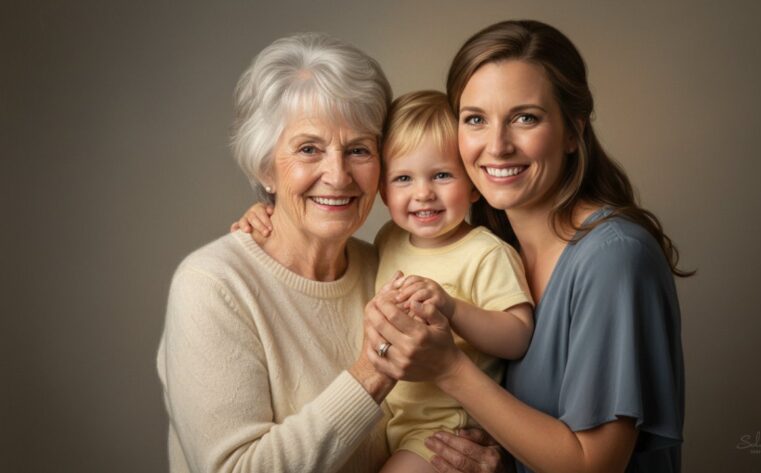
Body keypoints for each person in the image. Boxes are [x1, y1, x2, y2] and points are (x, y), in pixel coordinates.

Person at [362, 20, 687, 473]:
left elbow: (593, 465)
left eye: (525, 118)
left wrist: (449, 369)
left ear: (574, 131)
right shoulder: (496, 245)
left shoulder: (613, 257)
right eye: (475, 119)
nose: (497, 146)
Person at [236, 90, 534, 473]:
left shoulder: (485, 253)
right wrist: (267, 214)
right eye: (403, 178)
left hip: (445, 432)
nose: (423, 193)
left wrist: (452, 308)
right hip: (394, 425)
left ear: (474, 184)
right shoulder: (389, 239)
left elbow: (518, 336)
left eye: (442, 175)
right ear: (382, 190)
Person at [157, 33, 398, 473]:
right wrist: (374, 371)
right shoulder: (212, 286)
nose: (338, 174)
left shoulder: (389, 267)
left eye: (359, 149)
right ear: (265, 166)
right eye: (309, 149)